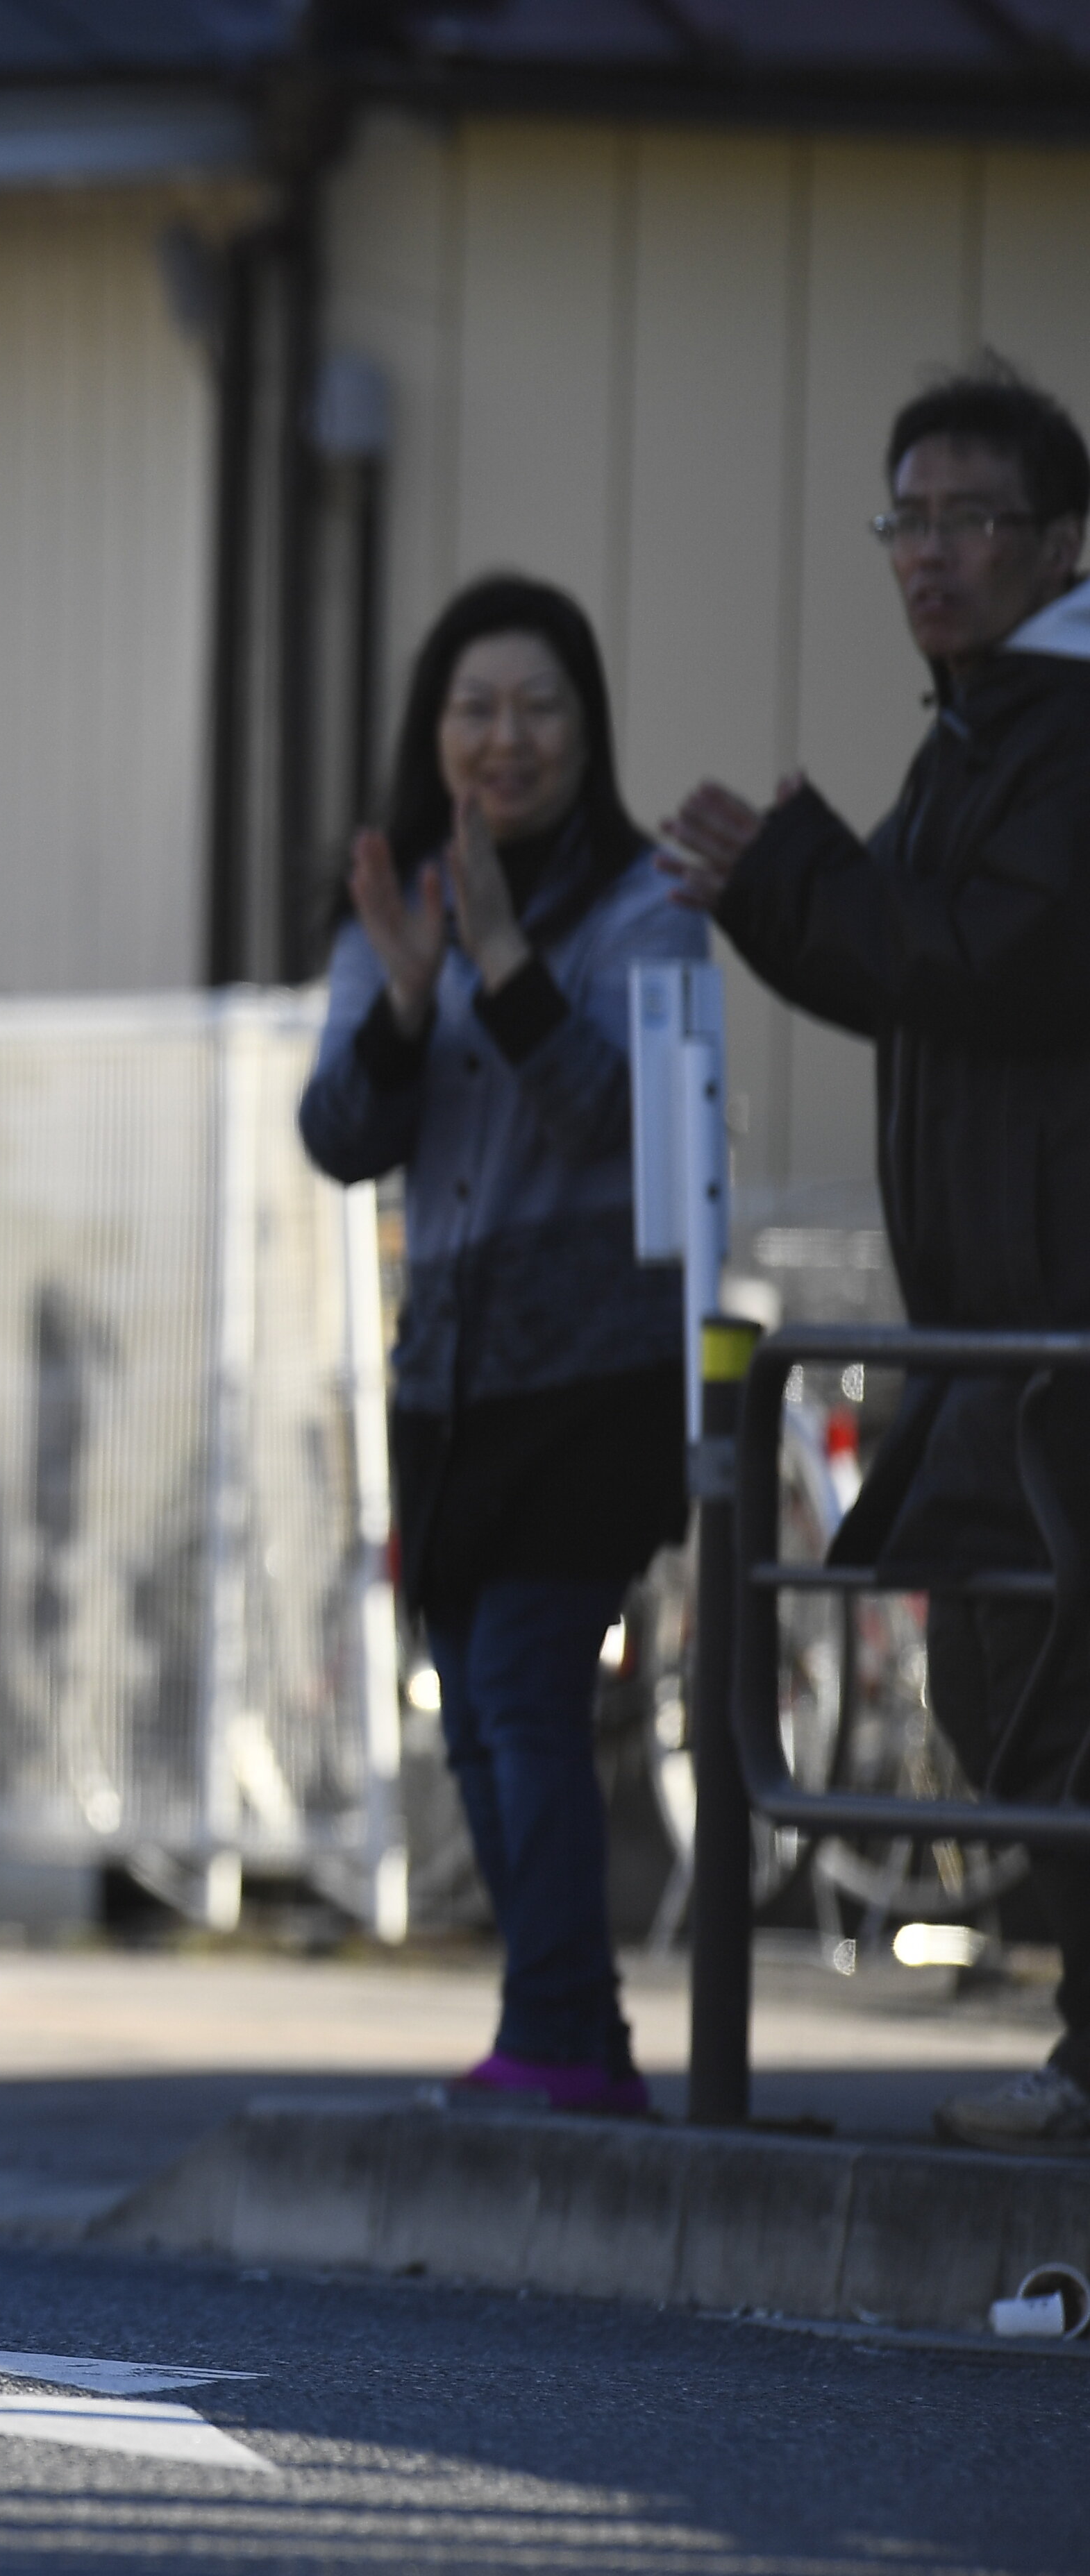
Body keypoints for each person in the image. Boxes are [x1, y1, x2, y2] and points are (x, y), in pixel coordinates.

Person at [662, 360, 1090, 2153]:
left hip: (1055, 1311)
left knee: (1039, 1659)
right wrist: (791, 883)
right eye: (906, 520)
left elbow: (986, 958)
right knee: (1006, 1651)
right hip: (999, 1311)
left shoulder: (1066, 728)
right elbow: (913, 957)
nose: (929, 554)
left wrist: (791, 876)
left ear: (1061, 543)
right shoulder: (987, 724)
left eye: (969, 519)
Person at [302, 575, 706, 2117]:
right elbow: (338, 1134)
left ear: (587, 727)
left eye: (540, 707)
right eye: (477, 709)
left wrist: (506, 961)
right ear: (436, 727)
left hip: (594, 1381)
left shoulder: (648, 898)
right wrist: (410, 989)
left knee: (532, 1690)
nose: (506, 738)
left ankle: (552, 2030)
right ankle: (573, 2038)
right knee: (474, 1702)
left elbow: (634, 1123)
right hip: (450, 1386)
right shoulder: (397, 897)